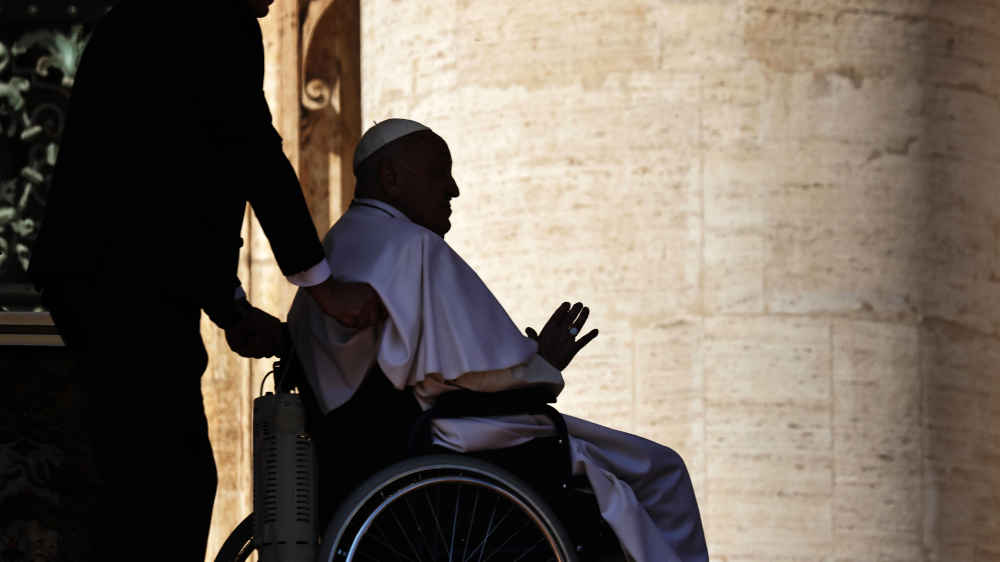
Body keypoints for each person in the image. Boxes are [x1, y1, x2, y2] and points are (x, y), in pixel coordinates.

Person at [27, 0, 381, 559]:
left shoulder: (158, 18)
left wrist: (231, 310)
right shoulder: (214, 20)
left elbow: (174, 181)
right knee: (173, 478)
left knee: (142, 478)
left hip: (109, 277)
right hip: (124, 285)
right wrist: (321, 284)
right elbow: (251, 155)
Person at [287, 119, 709, 562]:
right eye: (438, 173)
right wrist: (542, 363)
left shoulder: (331, 251)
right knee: (661, 471)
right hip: (436, 440)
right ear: (391, 177)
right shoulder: (413, 248)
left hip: (357, 455)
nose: (453, 190)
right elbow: (478, 379)